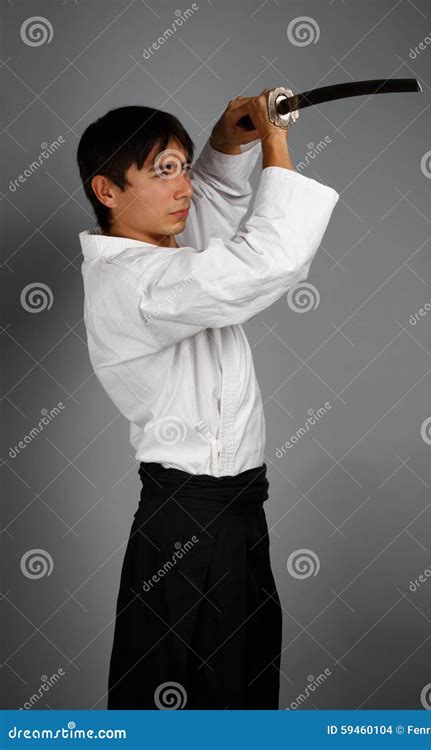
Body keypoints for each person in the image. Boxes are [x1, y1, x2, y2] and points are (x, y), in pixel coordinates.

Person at [76, 90, 339, 709]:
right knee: (177, 704)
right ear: (107, 190)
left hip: (237, 511)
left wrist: (227, 141)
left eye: (183, 166)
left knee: (240, 691)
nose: (183, 186)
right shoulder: (137, 280)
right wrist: (274, 140)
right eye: (162, 171)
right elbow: (265, 262)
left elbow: (212, 205)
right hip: (186, 525)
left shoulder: (163, 253)